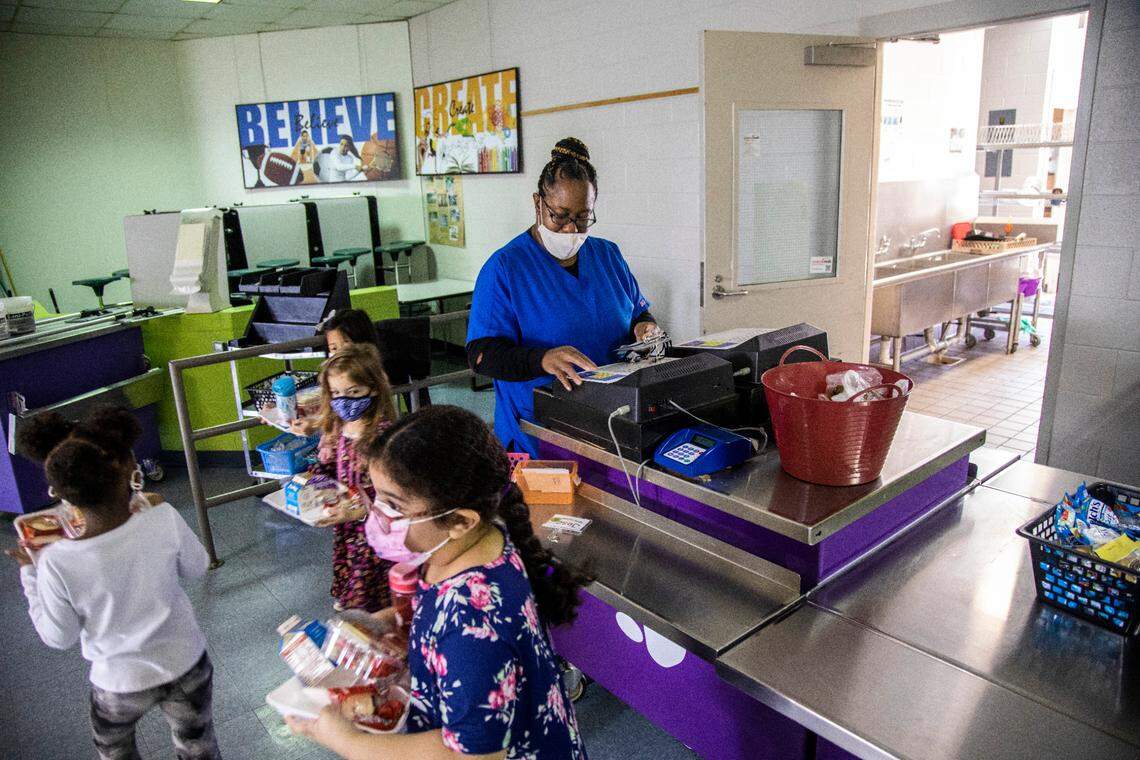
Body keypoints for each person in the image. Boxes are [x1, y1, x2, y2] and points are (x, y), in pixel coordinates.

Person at [287, 405, 589, 759]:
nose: (375, 514)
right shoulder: (474, 544)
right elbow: (439, 607)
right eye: (377, 496)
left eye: (393, 505)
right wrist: (393, 621)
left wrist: (345, 741)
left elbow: (471, 756)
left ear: (460, 520)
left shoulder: (471, 627)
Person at [8, 406, 218, 760]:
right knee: (198, 748)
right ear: (128, 473)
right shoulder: (162, 518)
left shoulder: (56, 560)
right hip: (185, 663)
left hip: (118, 682)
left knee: (115, 753)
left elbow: (59, 637)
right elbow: (197, 568)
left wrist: (31, 572)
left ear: (60, 495)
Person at [467, 137, 661, 456]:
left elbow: (638, 313)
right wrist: (541, 359)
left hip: (610, 421)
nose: (571, 230)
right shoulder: (505, 268)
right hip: (540, 433)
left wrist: (646, 327)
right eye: (559, 216)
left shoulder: (608, 256)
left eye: (583, 218)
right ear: (537, 203)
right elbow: (482, 355)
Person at [316, 343, 398, 612]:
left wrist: (360, 511)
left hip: (376, 533)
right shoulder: (339, 427)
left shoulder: (383, 435)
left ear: (373, 388)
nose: (344, 401)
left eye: (353, 393)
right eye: (336, 394)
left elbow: (393, 496)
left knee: (368, 598)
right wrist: (312, 488)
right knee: (351, 587)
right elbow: (329, 470)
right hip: (347, 530)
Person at [282, 309, 381, 437]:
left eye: (346, 345)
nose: (340, 354)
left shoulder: (375, 427)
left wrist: (318, 424)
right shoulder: (333, 377)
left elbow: (349, 415)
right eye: (333, 348)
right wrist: (281, 410)